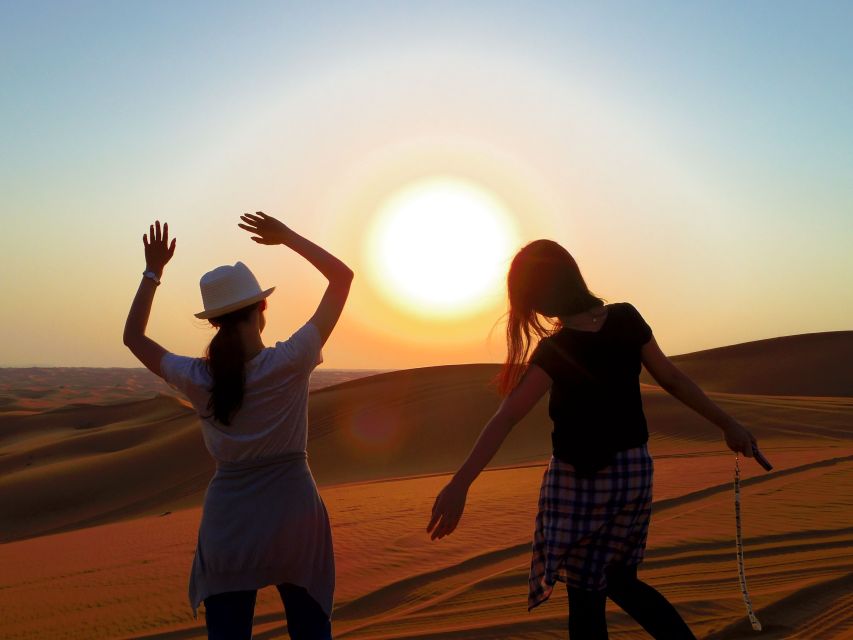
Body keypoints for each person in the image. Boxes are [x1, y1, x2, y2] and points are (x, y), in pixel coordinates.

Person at [427, 239, 758, 639]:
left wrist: (460, 483)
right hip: (634, 474)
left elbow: (507, 416)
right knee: (621, 580)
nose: (534, 311)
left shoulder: (558, 349)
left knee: (585, 599)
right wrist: (728, 424)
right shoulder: (625, 319)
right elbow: (671, 378)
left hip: (580, 481)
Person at [123, 212, 353, 640]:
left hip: (229, 525)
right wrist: (287, 237)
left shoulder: (197, 376)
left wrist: (153, 271)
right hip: (295, 516)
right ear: (262, 306)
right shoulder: (291, 360)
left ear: (212, 321)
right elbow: (342, 278)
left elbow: (133, 338)